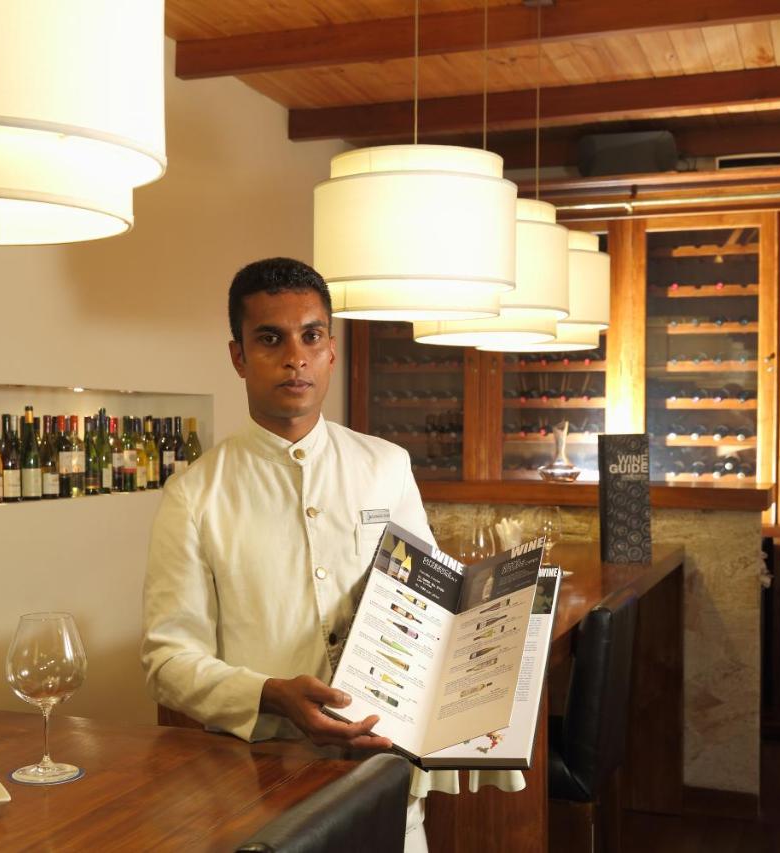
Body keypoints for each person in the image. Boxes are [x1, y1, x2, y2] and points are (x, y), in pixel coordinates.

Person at [141, 258, 521, 852]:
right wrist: (269, 693)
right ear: (239, 356)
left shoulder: (386, 465)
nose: (295, 357)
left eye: (311, 336)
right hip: (266, 784)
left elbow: (429, 608)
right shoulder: (194, 494)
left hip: (387, 773)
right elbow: (167, 660)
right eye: (271, 339)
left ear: (331, 352)